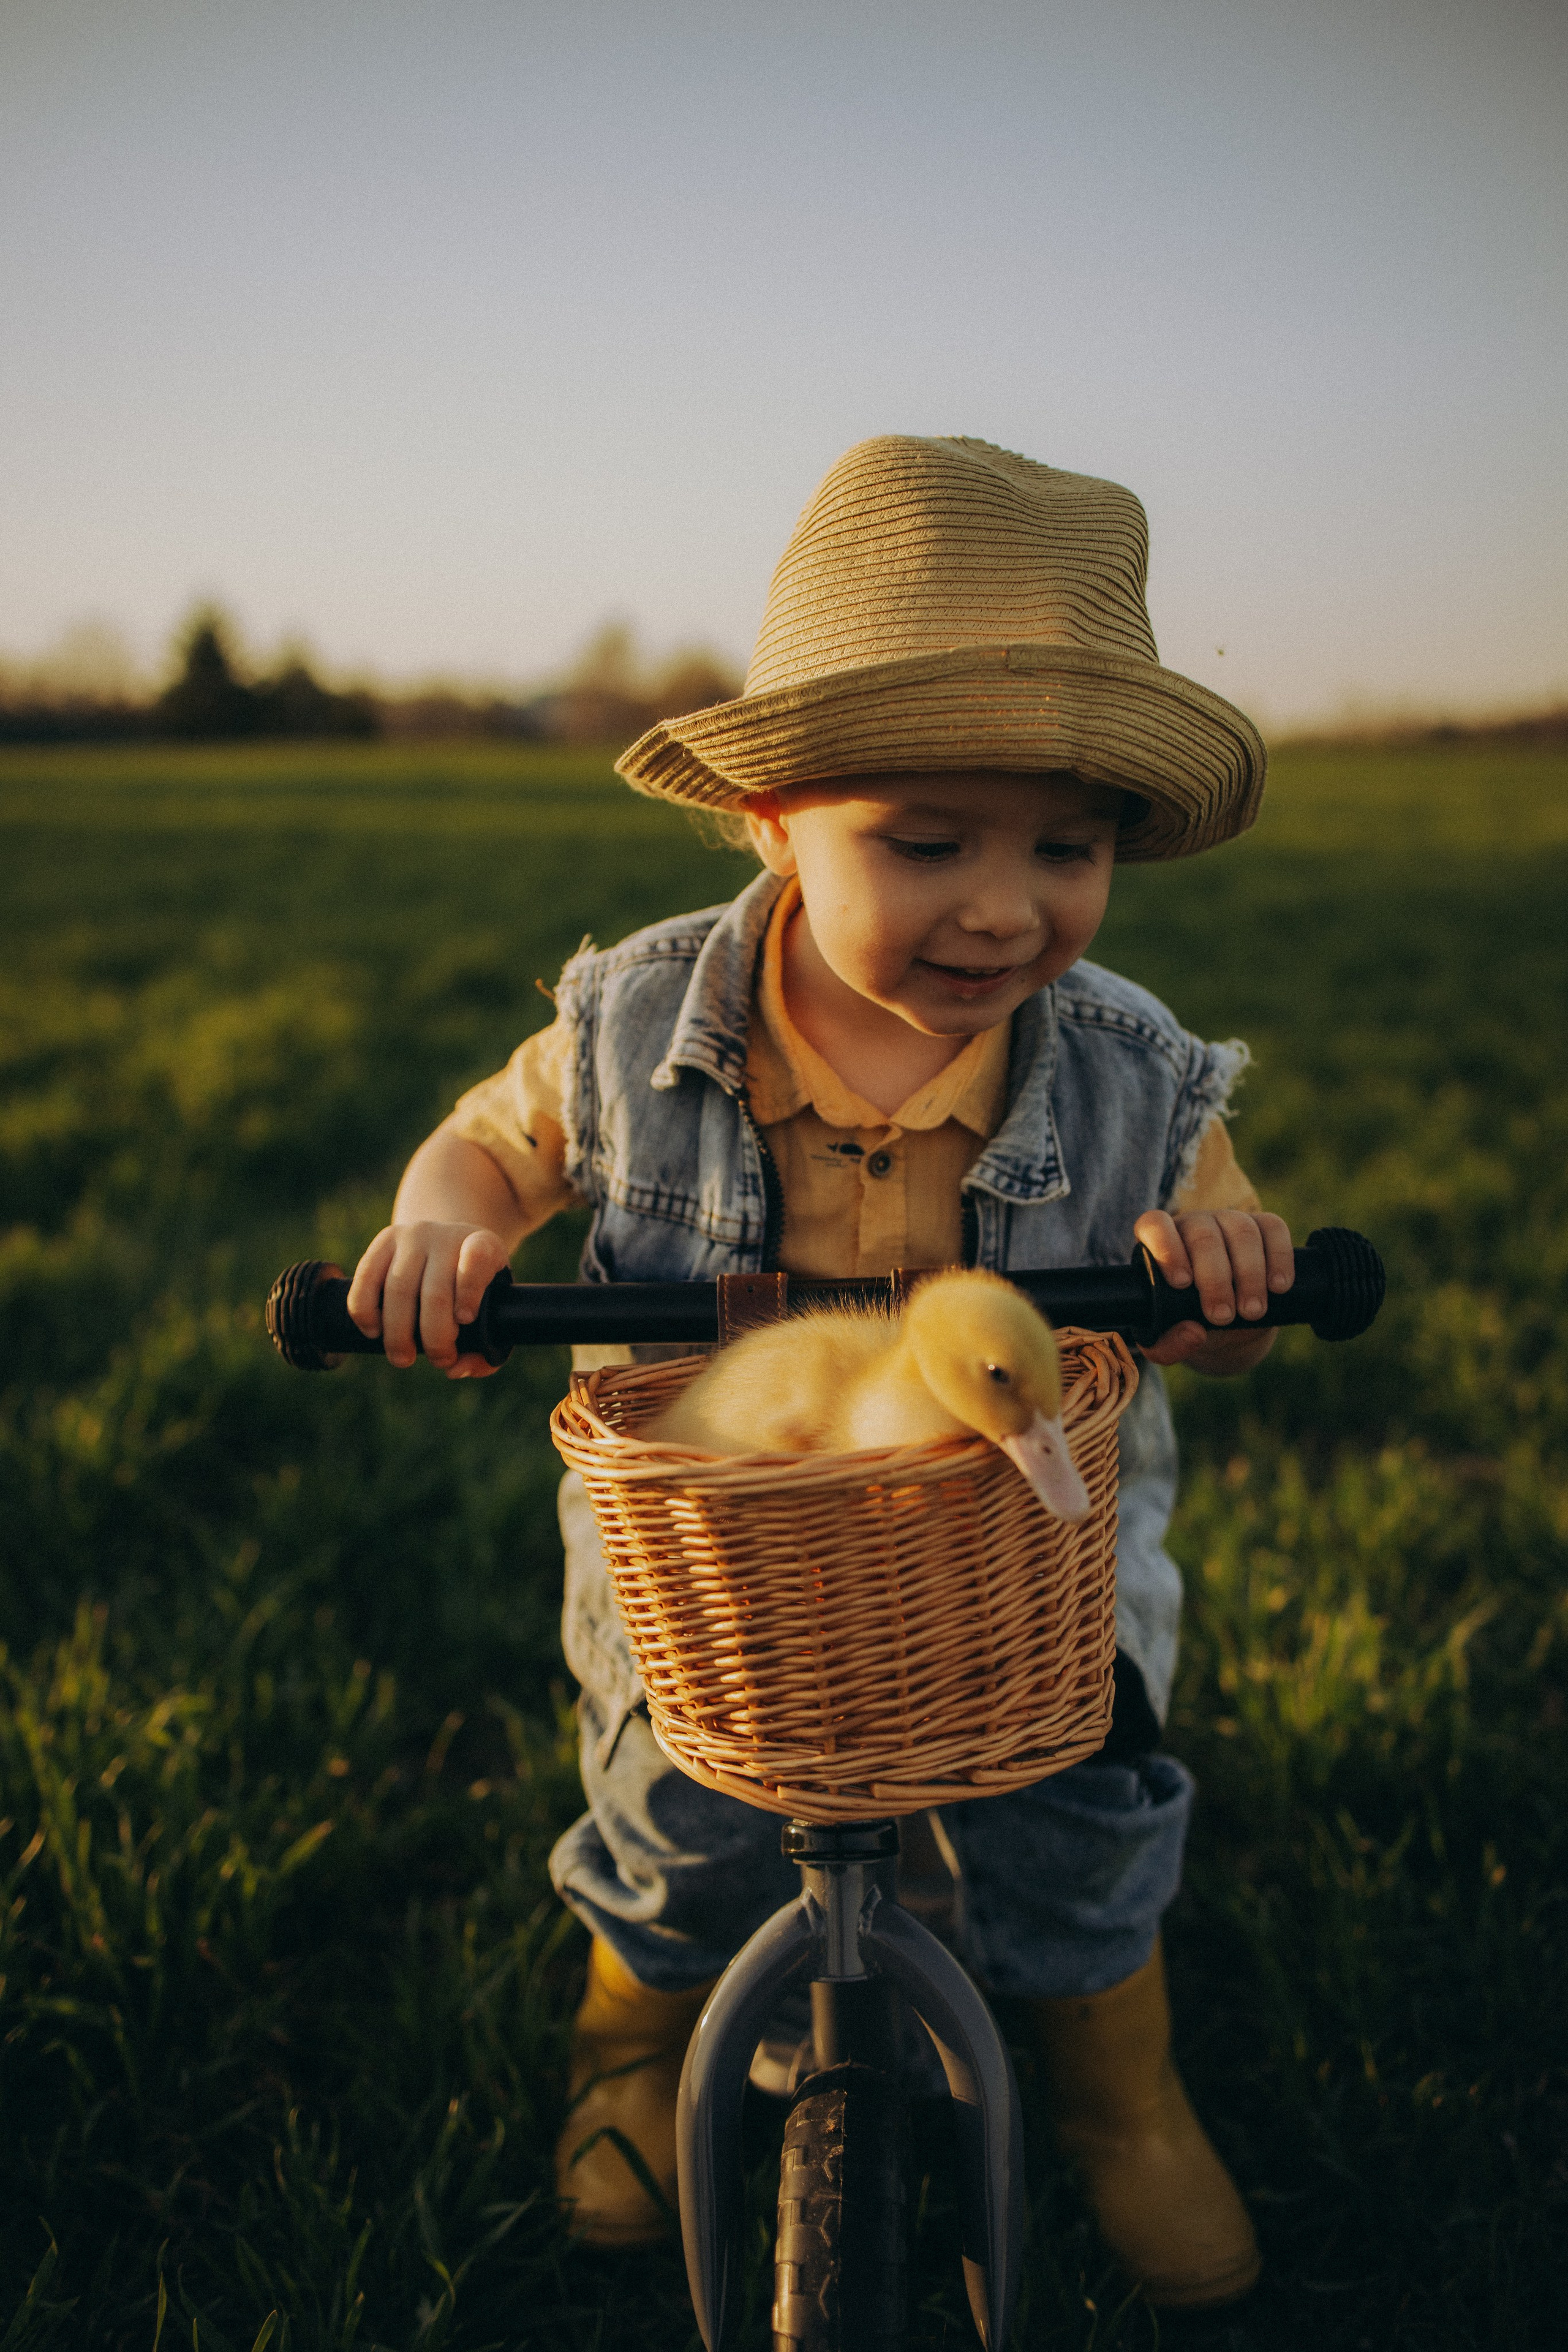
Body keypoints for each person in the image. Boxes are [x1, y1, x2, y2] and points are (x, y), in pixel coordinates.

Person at [347, 435, 1289, 2312]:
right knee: (678, 1804)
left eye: (1067, 850)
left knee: (1079, 1800)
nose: (1007, 910)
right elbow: (490, 1147)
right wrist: (449, 1225)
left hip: (1022, 1552)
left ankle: (1121, 2099)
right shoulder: (635, 1016)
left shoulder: (1123, 1064)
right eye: (926, 843)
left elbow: (1222, 1256)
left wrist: (1225, 1280)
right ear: (771, 817)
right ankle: (629, 2040)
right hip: (716, 1558)